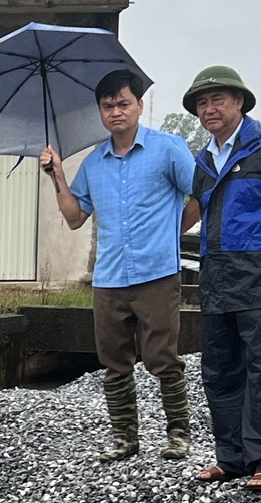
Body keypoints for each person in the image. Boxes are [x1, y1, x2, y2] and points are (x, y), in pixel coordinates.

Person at [42, 67, 192, 462]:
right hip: (109, 277)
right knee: (113, 361)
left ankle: (178, 435)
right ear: (100, 112)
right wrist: (57, 174)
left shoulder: (169, 149)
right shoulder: (94, 163)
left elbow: (200, 194)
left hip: (158, 272)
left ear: (140, 105)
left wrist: (174, 231)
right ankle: (125, 438)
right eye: (107, 106)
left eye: (123, 103)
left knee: (163, 357)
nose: (116, 112)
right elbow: (75, 217)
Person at [181, 64, 261, 492]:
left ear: (239, 101)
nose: (210, 108)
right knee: (219, 370)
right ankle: (231, 456)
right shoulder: (203, 161)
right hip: (217, 277)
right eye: (202, 102)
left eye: (219, 98)